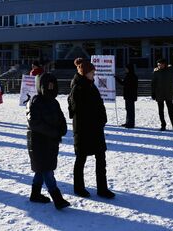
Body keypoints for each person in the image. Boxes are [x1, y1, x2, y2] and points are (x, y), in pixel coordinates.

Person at [68, 60, 115, 199]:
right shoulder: (77, 88)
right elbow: (77, 111)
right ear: (85, 73)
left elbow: (99, 104)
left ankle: (102, 188)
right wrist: (94, 119)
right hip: (83, 130)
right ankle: (79, 187)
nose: (94, 74)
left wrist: (102, 119)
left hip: (96, 129)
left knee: (101, 158)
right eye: (92, 72)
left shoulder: (91, 85)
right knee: (81, 159)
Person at [26, 73, 70, 210]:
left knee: (42, 168)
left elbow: (61, 118)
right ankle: (57, 198)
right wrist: (54, 133)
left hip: (51, 142)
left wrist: (62, 129)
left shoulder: (54, 102)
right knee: (47, 170)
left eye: (53, 85)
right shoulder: (34, 101)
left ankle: (35, 194)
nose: (51, 87)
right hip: (38, 143)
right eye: (48, 85)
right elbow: (34, 123)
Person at [151, 58, 173, 131]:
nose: (159, 66)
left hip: (168, 93)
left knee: (171, 110)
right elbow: (153, 83)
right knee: (161, 110)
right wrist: (153, 92)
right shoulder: (156, 72)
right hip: (159, 93)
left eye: (160, 64)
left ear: (164, 64)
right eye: (158, 65)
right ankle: (163, 125)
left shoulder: (170, 70)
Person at [115, 63, 138, 128]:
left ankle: (130, 123)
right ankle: (128, 122)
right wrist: (117, 78)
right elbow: (124, 83)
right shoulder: (129, 75)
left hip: (130, 95)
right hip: (129, 95)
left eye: (126, 68)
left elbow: (124, 84)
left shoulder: (131, 76)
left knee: (130, 110)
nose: (125, 69)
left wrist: (117, 78)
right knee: (128, 109)